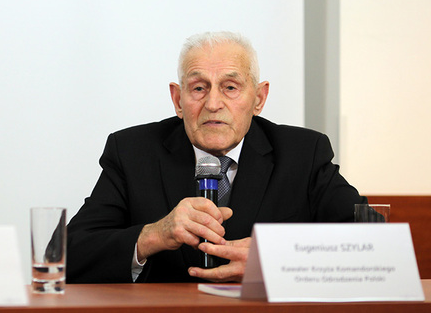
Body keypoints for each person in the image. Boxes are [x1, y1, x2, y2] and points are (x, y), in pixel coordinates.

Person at [66, 31, 365, 284]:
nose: (212, 103)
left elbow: (371, 241)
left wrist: (274, 257)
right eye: (198, 88)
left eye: (230, 88)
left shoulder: (303, 153)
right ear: (178, 99)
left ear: (259, 98)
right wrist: (155, 234)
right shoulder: (133, 152)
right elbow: (71, 254)